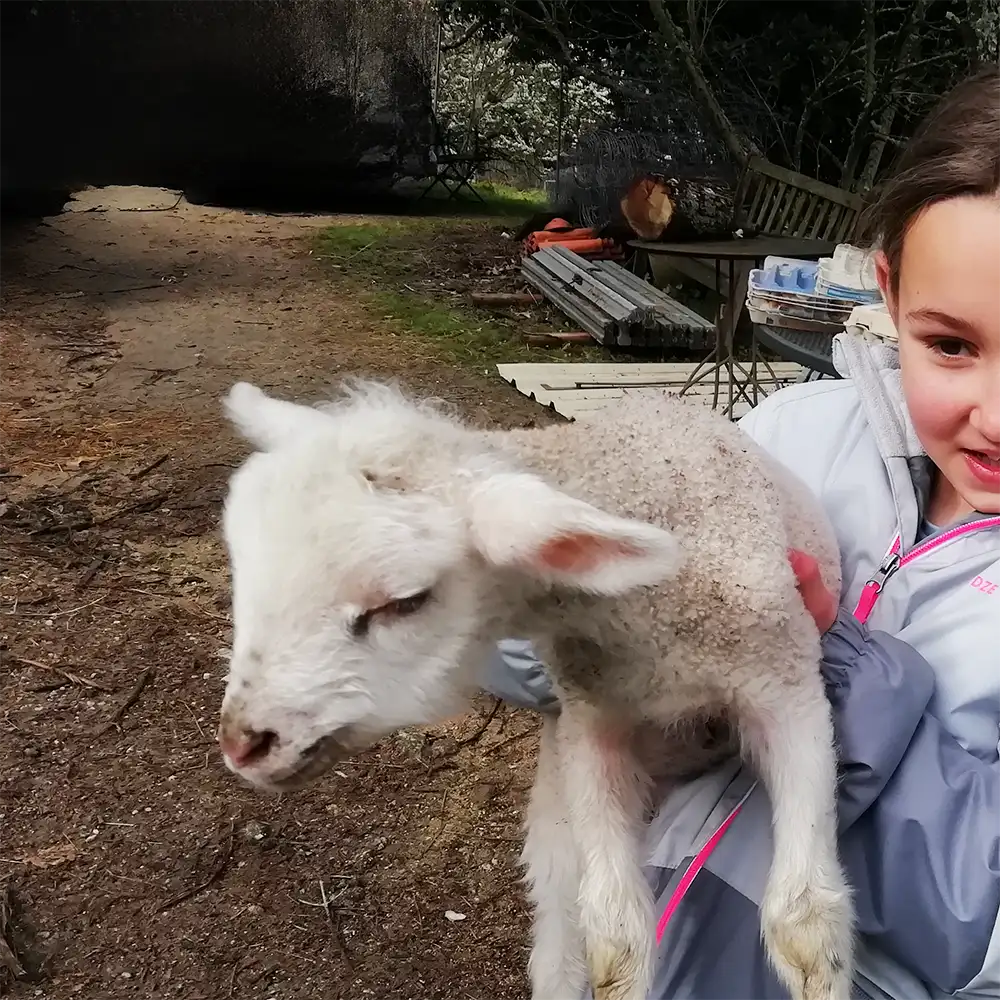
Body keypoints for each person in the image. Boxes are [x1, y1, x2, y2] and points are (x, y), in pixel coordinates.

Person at [483, 64, 1000, 1000]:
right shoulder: (794, 436)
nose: (994, 415)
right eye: (951, 345)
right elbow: (534, 676)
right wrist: (545, 583)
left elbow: (979, 927)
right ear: (887, 290)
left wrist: (826, 662)